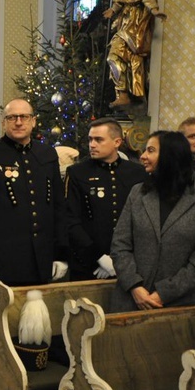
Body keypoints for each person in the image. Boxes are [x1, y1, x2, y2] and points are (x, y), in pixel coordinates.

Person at [0, 98, 68, 390]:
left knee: (34, 326)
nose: (18, 122)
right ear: (4, 122)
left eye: (24, 117)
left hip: (39, 261)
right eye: (12, 118)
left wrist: (60, 253)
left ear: (34, 121)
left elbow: (57, 208)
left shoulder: (47, 154)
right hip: (0, 261)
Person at [110, 131, 195, 312]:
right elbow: (119, 244)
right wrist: (135, 287)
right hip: (130, 301)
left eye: (150, 150)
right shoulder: (138, 192)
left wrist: (164, 293)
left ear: (171, 155)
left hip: (181, 306)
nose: (143, 156)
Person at [65, 118, 147, 280]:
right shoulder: (77, 172)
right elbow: (71, 221)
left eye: (99, 140)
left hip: (130, 263)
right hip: (87, 264)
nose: (92, 144)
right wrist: (99, 258)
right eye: (90, 139)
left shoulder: (137, 173)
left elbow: (142, 220)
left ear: (117, 142)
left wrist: (117, 261)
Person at [103, 0, 166, 109]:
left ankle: (124, 94)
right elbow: (120, 0)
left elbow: (150, 1)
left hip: (134, 31)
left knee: (117, 58)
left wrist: (156, 11)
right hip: (123, 29)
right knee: (114, 58)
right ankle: (122, 93)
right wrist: (112, 10)